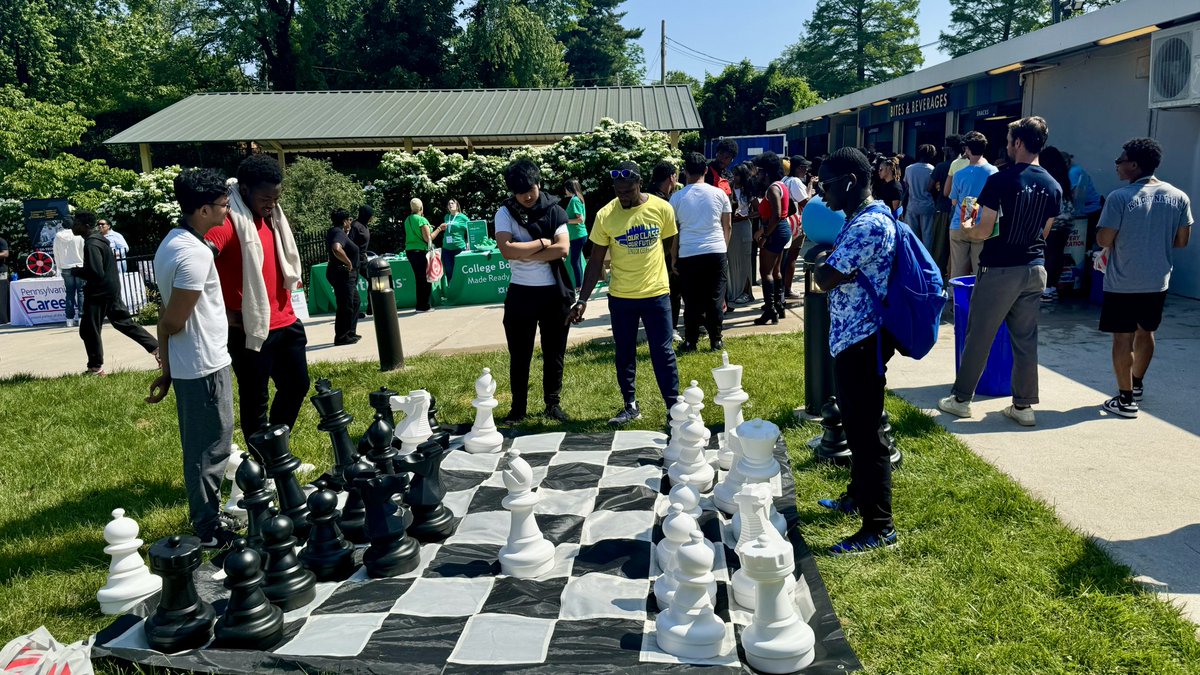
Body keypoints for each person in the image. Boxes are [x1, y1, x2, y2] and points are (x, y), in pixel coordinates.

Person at [938, 116, 1062, 427]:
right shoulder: (1052, 184)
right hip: (1035, 268)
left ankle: (961, 399)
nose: (1006, 146)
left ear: (1018, 143)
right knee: (1025, 339)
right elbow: (1044, 233)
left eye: (1008, 141)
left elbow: (980, 231)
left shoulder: (1001, 181)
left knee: (980, 334)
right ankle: (1023, 406)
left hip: (1000, 269)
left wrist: (967, 224)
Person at [812, 147, 899, 554]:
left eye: (825, 185)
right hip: (851, 339)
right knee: (856, 425)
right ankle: (857, 497)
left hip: (863, 342)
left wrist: (819, 263)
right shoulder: (858, 218)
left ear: (849, 181)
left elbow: (826, 278)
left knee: (866, 436)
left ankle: (879, 527)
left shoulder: (869, 225)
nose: (820, 194)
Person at [146, 168, 238, 549]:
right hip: (204, 364)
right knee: (210, 448)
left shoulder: (171, 242)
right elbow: (172, 320)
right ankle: (208, 527)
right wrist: (168, 360)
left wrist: (166, 369)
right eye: (221, 204)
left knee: (207, 445)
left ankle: (209, 515)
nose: (227, 210)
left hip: (192, 364)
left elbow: (165, 317)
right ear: (202, 210)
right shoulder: (194, 255)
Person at [205, 153, 310, 444]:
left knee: (297, 385)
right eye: (266, 198)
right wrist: (221, 313)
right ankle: (261, 468)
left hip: (285, 320)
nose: (272, 205)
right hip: (250, 328)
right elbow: (196, 263)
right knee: (256, 399)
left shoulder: (273, 218)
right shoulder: (227, 223)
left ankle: (276, 449)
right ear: (245, 190)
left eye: (276, 198)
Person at [568, 160, 679, 426]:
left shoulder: (662, 208)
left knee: (662, 352)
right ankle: (630, 405)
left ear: (639, 183)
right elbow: (595, 262)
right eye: (619, 192)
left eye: (628, 191)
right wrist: (582, 299)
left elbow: (669, 246)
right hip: (621, 297)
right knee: (624, 352)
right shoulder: (606, 215)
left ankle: (674, 407)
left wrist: (669, 273)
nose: (624, 197)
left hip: (656, 294)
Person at [1096, 137, 1192, 418]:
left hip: (1123, 281)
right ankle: (1136, 385)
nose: (1116, 165)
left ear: (1134, 165)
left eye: (1120, 160)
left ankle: (1125, 401)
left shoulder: (1119, 198)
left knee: (1122, 338)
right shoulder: (1178, 196)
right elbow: (1182, 240)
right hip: (1157, 280)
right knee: (1146, 332)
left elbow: (1104, 237)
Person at [495, 160, 574, 424]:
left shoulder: (555, 210)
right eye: (520, 192)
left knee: (555, 352)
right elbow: (506, 251)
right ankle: (518, 409)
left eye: (530, 189)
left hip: (554, 294)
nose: (527, 196)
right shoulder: (505, 212)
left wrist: (524, 250)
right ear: (512, 193)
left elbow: (562, 249)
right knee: (520, 354)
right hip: (521, 294)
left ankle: (553, 404)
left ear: (538, 183)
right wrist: (541, 243)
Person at [74, 210, 160, 376]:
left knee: (89, 329)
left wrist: (77, 271)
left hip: (99, 292)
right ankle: (158, 350)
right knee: (123, 322)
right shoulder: (101, 240)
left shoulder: (92, 243)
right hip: (109, 289)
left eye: (76, 223)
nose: (73, 226)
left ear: (85, 226)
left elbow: (96, 272)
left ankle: (95, 368)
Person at [670, 152, 732, 352]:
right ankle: (716, 339)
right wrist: (724, 248)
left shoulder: (676, 198)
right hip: (716, 250)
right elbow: (727, 226)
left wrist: (673, 257)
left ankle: (691, 341)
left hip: (688, 252)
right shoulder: (719, 194)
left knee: (691, 299)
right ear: (706, 170)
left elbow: (675, 232)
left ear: (685, 171)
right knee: (715, 297)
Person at [947, 131, 999, 279]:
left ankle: (956, 296)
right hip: (983, 224)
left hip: (960, 223)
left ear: (967, 149)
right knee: (980, 268)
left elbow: (954, 201)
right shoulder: (993, 171)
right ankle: (979, 297)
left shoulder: (959, 174)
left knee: (957, 269)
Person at [751, 152, 791, 326]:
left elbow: (776, 215)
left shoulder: (772, 188)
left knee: (765, 272)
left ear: (766, 172)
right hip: (782, 231)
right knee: (776, 271)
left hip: (775, 231)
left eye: (759, 171)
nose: (757, 175)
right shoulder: (781, 186)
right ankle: (779, 306)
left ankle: (770, 310)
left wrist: (765, 235)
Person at [649, 161, 682, 338]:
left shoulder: (647, 196)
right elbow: (672, 233)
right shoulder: (664, 202)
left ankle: (657, 327)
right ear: (671, 177)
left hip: (647, 253)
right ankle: (671, 328)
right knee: (672, 292)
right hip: (665, 254)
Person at [1038, 147, 1076, 303]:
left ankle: (1045, 289)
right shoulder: (1064, 175)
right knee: (1057, 254)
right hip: (1066, 219)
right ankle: (1052, 287)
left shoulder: (1046, 176)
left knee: (1046, 254)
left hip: (1051, 219)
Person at [326, 208, 361, 345]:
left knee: (355, 301)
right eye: (349, 220)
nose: (350, 222)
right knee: (345, 305)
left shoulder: (337, 232)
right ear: (344, 221)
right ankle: (341, 337)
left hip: (341, 273)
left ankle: (350, 332)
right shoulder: (338, 233)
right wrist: (348, 261)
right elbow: (336, 248)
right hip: (342, 273)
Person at [404, 198, 444, 312]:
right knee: (425, 279)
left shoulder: (407, 220)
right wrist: (439, 229)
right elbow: (428, 238)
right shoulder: (422, 220)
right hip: (420, 252)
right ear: (421, 208)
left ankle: (420, 305)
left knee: (419, 278)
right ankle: (424, 306)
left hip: (410, 251)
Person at [782, 156, 812, 299]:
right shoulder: (795, 181)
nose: (806, 170)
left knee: (783, 258)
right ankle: (787, 289)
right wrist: (811, 188)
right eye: (804, 167)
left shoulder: (784, 180)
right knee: (793, 256)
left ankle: (781, 288)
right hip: (795, 222)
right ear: (798, 168)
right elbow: (806, 202)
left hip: (783, 221)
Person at [726, 161, 757, 305]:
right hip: (731, 226)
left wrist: (746, 216)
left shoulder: (748, 191)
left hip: (744, 226)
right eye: (734, 174)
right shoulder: (729, 188)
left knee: (744, 261)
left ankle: (745, 291)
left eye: (738, 175)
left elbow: (758, 211)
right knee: (732, 260)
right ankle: (733, 291)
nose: (735, 177)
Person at [904, 144, 939, 253]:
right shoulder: (932, 169)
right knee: (928, 236)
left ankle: (914, 258)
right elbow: (934, 188)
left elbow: (906, 186)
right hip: (927, 205)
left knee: (913, 236)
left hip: (912, 205)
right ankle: (926, 259)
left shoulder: (909, 169)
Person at [53, 217, 85, 327]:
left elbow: (56, 253)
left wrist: (59, 267)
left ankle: (69, 319)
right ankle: (82, 317)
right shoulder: (79, 235)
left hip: (66, 267)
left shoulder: (58, 236)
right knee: (81, 292)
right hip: (79, 265)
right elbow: (83, 250)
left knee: (70, 293)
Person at [1067, 154, 1104, 249]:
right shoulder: (1077, 169)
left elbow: (1075, 192)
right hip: (1093, 207)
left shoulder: (1073, 172)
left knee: (1083, 244)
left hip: (1089, 209)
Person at [562, 180, 588, 285]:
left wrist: (566, 221)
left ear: (569, 188)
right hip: (577, 235)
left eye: (565, 188)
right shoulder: (577, 199)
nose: (565, 191)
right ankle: (580, 285)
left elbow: (580, 219)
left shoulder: (574, 200)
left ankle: (579, 286)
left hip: (578, 235)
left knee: (574, 262)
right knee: (576, 261)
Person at [349, 205, 372, 315]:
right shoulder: (355, 226)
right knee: (353, 284)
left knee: (373, 279)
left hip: (363, 258)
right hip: (356, 260)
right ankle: (354, 311)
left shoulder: (365, 226)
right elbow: (350, 243)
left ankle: (371, 307)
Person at [441, 199, 470, 282]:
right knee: (449, 271)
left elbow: (471, 229)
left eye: (452, 203)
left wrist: (468, 242)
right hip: (446, 248)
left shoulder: (463, 217)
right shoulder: (446, 217)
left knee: (460, 271)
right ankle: (451, 291)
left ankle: (461, 292)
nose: (450, 205)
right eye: (449, 204)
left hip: (459, 248)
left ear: (457, 205)